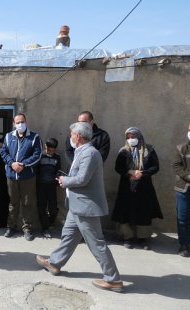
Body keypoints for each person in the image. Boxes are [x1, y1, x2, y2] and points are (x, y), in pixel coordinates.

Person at [36, 122, 123, 293]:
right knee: (68, 236)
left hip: (86, 206)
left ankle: (113, 279)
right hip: (77, 205)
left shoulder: (89, 153)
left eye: (71, 134)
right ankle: (54, 263)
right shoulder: (82, 152)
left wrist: (64, 181)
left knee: (96, 243)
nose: (69, 137)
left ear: (78, 136)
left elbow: (82, 179)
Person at [112, 127, 163, 250]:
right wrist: (129, 172)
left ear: (139, 137)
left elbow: (155, 166)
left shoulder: (149, 149)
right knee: (125, 211)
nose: (131, 140)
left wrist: (143, 173)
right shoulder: (123, 151)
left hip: (144, 186)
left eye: (133, 137)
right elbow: (118, 167)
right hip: (127, 186)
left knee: (143, 211)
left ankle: (143, 238)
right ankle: (127, 237)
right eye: (128, 138)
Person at [1, 113, 42, 240]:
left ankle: (27, 228)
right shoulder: (8, 137)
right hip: (12, 176)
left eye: (22, 122)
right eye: (18, 122)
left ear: (26, 121)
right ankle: (11, 227)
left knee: (28, 203)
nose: (20, 124)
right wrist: (12, 163)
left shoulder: (34, 137)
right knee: (13, 203)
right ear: (14, 124)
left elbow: (38, 154)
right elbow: (4, 152)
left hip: (27, 177)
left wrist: (23, 164)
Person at [36, 138, 61, 238]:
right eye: (49, 149)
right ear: (45, 146)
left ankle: (51, 222)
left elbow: (58, 170)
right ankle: (45, 228)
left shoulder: (57, 157)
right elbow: (36, 170)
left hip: (52, 186)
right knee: (41, 206)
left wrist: (58, 180)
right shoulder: (40, 156)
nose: (50, 152)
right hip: (41, 185)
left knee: (53, 208)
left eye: (53, 150)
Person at [173, 123, 190, 257]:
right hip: (183, 188)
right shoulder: (181, 148)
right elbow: (177, 166)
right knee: (182, 217)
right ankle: (184, 244)